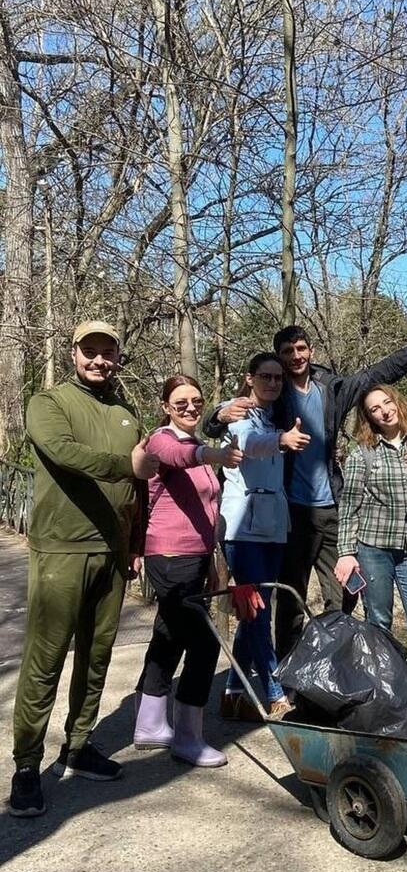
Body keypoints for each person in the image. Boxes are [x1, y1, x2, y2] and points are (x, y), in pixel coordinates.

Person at [204, 315, 407, 660]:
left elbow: (379, 373)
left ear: (311, 350)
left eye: (301, 348)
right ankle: (289, 673)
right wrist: (218, 416)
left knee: (345, 592)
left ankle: (332, 667)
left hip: (329, 506)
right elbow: (224, 418)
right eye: (287, 351)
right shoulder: (275, 392)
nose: (295, 356)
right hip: (289, 511)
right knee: (291, 596)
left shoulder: (331, 388)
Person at [9, 321, 160, 817]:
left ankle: (78, 745)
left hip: (113, 553)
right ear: (74, 353)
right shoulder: (48, 403)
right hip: (62, 550)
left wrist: (135, 544)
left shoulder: (125, 412)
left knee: (97, 658)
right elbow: (64, 454)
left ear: (117, 356)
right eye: (89, 351)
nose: (98, 360)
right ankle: (27, 767)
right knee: (45, 660)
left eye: (106, 352)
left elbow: (139, 490)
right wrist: (125, 467)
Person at [133, 375, 243, 766]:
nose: (191, 407)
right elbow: (179, 457)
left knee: (167, 635)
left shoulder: (196, 444)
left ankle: (149, 724)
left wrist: (215, 561)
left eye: (196, 401)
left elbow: (206, 510)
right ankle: (187, 736)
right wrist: (217, 456)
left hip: (195, 557)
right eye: (180, 402)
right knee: (203, 640)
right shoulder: (161, 439)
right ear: (166, 406)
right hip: (168, 555)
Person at [333, 385, 407, 691]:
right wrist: (346, 552)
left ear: (397, 403)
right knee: (378, 624)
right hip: (374, 550)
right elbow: (350, 506)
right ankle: (384, 692)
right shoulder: (363, 453)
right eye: (375, 409)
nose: (384, 410)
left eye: (387, 403)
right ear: (369, 418)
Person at [219, 352, 309, 720]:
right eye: (265, 376)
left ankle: (233, 690)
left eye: (277, 378)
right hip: (242, 524)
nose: (272, 383)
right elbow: (248, 444)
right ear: (249, 377)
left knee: (254, 610)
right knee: (257, 609)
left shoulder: (277, 415)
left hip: (274, 524)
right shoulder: (236, 411)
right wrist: (282, 440)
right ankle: (273, 690)